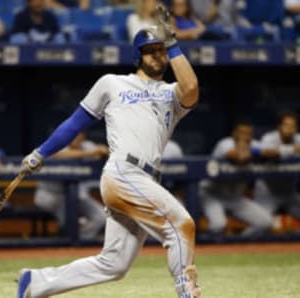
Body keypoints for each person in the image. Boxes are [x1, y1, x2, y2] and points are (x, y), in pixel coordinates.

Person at [17, 5, 201, 298]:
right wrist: (41, 153)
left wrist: (173, 44)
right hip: (123, 172)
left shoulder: (171, 94)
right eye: (149, 50)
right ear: (137, 55)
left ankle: (36, 283)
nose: (157, 55)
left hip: (147, 180)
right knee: (181, 224)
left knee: (114, 264)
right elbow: (75, 123)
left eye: (160, 50)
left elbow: (191, 86)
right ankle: (187, 293)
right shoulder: (112, 83)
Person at [199, 120, 273, 237]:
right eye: (241, 133)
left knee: (265, 223)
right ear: (234, 133)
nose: (245, 136)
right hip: (212, 194)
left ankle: (239, 245)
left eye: (248, 133)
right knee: (218, 225)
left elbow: (274, 152)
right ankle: (203, 246)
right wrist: (256, 152)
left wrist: (258, 150)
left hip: (235, 197)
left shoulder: (254, 145)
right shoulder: (225, 143)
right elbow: (240, 157)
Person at [34, 132, 108, 240]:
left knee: (101, 216)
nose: (75, 137)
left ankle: (81, 240)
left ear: (83, 136)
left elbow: (102, 152)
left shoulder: (87, 146)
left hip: (77, 195)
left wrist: (103, 151)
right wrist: (91, 153)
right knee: (70, 221)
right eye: (73, 134)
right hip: (49, 195)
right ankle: (69, 236)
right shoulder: (57, 144)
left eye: (79, 135)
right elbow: (58, 154)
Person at [254, 112, 300, 223]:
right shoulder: (269, 138)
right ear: (279, 127)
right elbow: (266, 153)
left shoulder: (298, 139)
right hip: (267, 191)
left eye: (293, 126)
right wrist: (292, 150)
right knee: (261, 224)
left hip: (289, 192)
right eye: (286, 125)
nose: (290, 129)